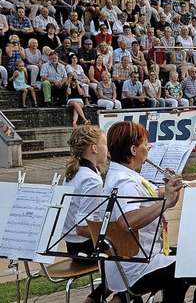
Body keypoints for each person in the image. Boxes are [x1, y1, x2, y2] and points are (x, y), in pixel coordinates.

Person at [102, 122, 196, 302]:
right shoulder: (124, 182)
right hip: (138, 267)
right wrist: (165, 202)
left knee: (189, 261)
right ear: (133, 150)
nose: (148, 147)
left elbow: (158, 197)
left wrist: (169, 189)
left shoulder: (126, 175)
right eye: (144, 144)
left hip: (136, 260)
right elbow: (127, 222)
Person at [62, 126, 111, 303]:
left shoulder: (74, 173)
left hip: (73, 247)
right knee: (132, 255)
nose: (108, 149)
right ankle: (93, 299)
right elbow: (82, 228)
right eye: (105, 144)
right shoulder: (91, 178)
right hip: (85, 249)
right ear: (94, 148)